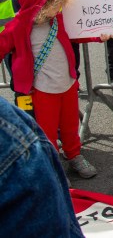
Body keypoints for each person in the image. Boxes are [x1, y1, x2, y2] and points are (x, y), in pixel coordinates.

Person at [0, 0, 112, 180]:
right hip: (41, 90)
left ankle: (74, 155)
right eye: (56, 2)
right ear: (40, 4)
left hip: (67, 84)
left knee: (70, 125)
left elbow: (78, 32)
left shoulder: (58, 20)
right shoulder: (17, 27)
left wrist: (98, 36)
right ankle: (53, 167)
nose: (60, 7)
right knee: (46, 131)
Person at [0, 97, 83, 237]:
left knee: (69, 123)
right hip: (38, 91)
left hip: (64, 87)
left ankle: (72, 155)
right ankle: (60, 166)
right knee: (46, 127)